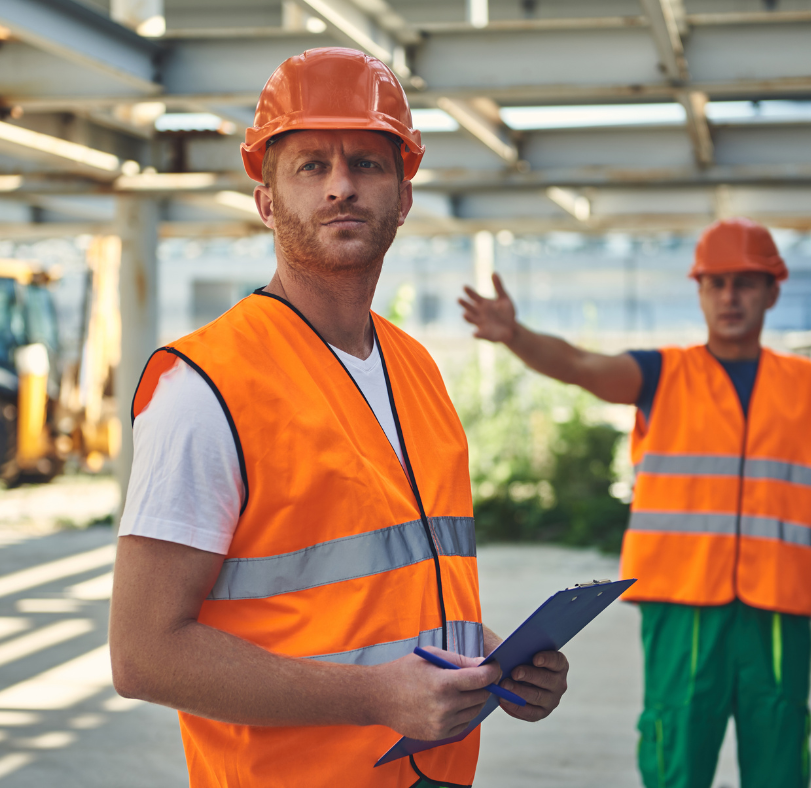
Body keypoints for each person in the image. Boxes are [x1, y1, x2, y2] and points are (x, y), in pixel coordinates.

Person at [109, 48, 569, 788]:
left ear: (403, 196)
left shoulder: (415, 367)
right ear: (266, 201)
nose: (342, 186)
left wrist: (491, 658)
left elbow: (388, 591)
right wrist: (376, 697)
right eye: (311, 166)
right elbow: (143, 655)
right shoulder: (204, 386)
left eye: (367, 163)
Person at [458, 217, 811, 788]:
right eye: (717, 283)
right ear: (701, 292)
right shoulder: (662, 374)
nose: (730, 296)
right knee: (676, 747)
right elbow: (580, 366)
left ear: (772, 291)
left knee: (779, 748)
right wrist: (515, 335)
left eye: (745, 283)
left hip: (776, 602)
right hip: (681, 602)